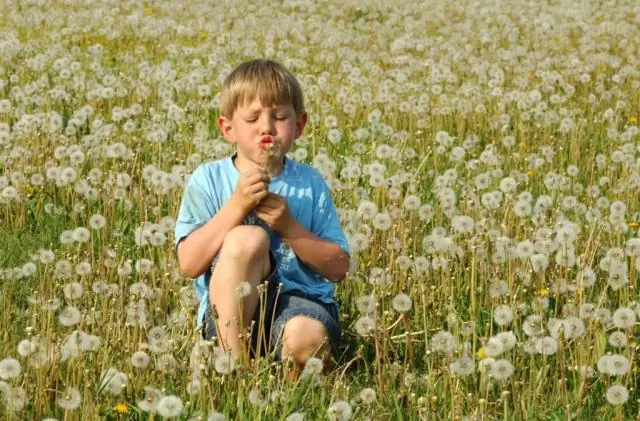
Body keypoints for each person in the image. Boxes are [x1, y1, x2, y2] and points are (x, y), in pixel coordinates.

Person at [174, 59, 350, 373]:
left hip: (301, 305)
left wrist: (289, 227)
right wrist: (236, 208)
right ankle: (235, 369)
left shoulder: (310, 183)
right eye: (252, 117)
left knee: (306, 340)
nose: (266, 127)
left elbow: (338, 267)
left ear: (299, 125)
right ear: (228, 128)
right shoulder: (208, 179)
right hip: (231, 313)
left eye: (279, 117)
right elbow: (189, 263)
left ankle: (292, 396)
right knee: (246, 238)